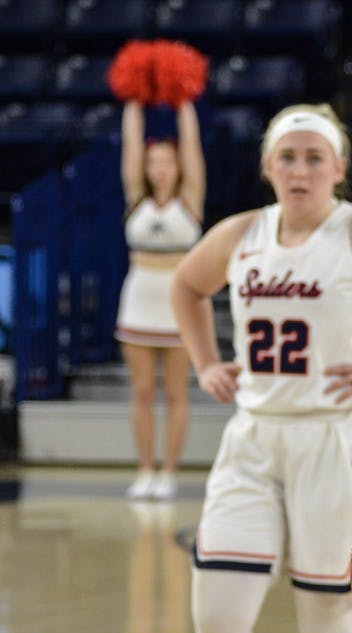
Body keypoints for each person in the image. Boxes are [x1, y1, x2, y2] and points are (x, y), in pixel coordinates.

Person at [171, 103, 352, 633]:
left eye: (314, 159)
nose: (300, 171)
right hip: (252, 437)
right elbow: (185, 286)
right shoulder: (241, 233)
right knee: (216, 617)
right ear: (267, 167)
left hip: (333, 440)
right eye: (287, 158)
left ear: (339, 168)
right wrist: (207, 363)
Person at [116, 100, 205, 501]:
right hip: (138, 297)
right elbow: (130, 146)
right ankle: (144, 469)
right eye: (154, 162)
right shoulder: (135, 196)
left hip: (177, 301)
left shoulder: (190, 198)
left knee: (175, 393)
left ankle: (169, 472)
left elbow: (192, 144)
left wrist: (183, 99)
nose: (160, 169)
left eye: (167, 162)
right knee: (141, 392)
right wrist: (134, 100)